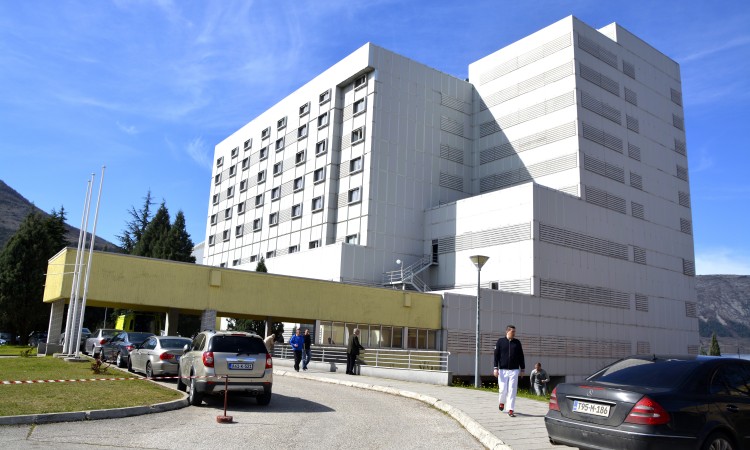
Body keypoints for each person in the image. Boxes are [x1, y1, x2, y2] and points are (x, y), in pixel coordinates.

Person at [493, 325, 525, 417]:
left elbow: (521, 356)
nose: (514, 333)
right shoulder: (500, 341)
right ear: (507, 331)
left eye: (515, 332)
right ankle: (502, 402)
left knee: (512, 390)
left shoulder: (517, 342)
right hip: (502, 370)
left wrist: (522, 369)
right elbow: (496, 356)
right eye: (512, 332)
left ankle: (510, 409)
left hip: (514, 370)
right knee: (503, 389)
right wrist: (495, 368)